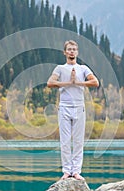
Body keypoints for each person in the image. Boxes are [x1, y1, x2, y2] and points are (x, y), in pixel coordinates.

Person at [47, 40, 99, 180]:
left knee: (78, 141)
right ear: (65, 52)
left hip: (79, 107)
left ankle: (76, 171)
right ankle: (66, 171)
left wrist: (78, 83)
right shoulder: (60, 68)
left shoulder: (83, 68)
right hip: (64, 107)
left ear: (77, 52)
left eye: (74, 49)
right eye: (69, 49)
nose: (72, 51)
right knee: (64, 141)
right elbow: (50, 83)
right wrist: (68, 83)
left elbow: (95, 82)